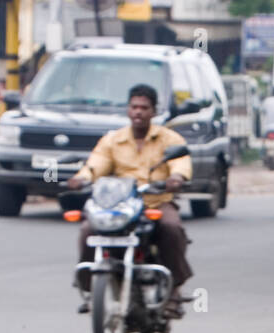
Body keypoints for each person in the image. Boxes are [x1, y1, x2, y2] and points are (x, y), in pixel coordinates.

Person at [65, 83, 194, 317]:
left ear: (153, 111)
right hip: (119, 206)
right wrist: (81, 179)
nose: (138, 112)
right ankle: (90, 289)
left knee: (171, 227)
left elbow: (180, 164)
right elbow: (95, 166)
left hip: (155, 202)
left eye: (144, 108)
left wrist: (176, 177)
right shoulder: (112, 140)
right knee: (88, 230)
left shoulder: (169, 139)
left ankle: (174, 290)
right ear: (128, 110)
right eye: (134, 107)